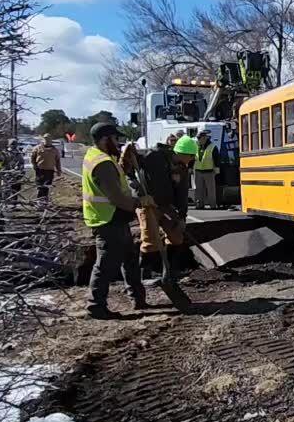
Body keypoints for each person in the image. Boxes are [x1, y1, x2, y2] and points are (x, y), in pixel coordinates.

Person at [82, 122, 153, 318]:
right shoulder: (102, 163)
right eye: (115, 139)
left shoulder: (100, 157)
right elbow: (117, 198)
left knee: (129, 260)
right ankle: (95, 306)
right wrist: (140, 201)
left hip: (114, 218)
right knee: (105, 264)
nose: (118, 142)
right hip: (108, 219)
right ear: (105, 139)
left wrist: (125, 164)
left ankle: (138, 298)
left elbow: (115, 178)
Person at [131, 135, 195, 285]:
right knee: (150, 239)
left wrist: (182, 217)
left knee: (176, 236)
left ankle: (171, 272)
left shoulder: (182, 169)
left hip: (166, 206)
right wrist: (134, 185)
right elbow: (129, 168)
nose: (191, 161)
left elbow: (182, 194)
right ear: (183, 154)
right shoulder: (153, 156)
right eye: (191, 157)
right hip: (147, 204)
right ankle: (146, 275)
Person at [192, 131, 220, 209]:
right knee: (199, 189)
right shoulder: (196, 146)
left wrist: (217, 170)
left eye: (199, 138)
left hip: (209, 171)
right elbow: (193, 158)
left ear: (204, 138)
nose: (198, 140)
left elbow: (217, 159)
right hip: (198, 171)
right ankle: (199, 205)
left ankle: (213, 205)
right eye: (198, 138)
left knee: (211, 190)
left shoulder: (212, 147)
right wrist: (191, 168)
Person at [30, 134, 62, 201]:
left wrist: (59, 170)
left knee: (46, 187)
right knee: (40, 186)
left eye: (48, 139)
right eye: (45, 139)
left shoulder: (55, 150)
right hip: (40, 170)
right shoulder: (37, 148)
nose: (47, 140)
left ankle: (44, 200)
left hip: (50, 171)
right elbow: (32, 157)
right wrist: (34, 166)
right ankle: (39, 200)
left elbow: (58, 161)